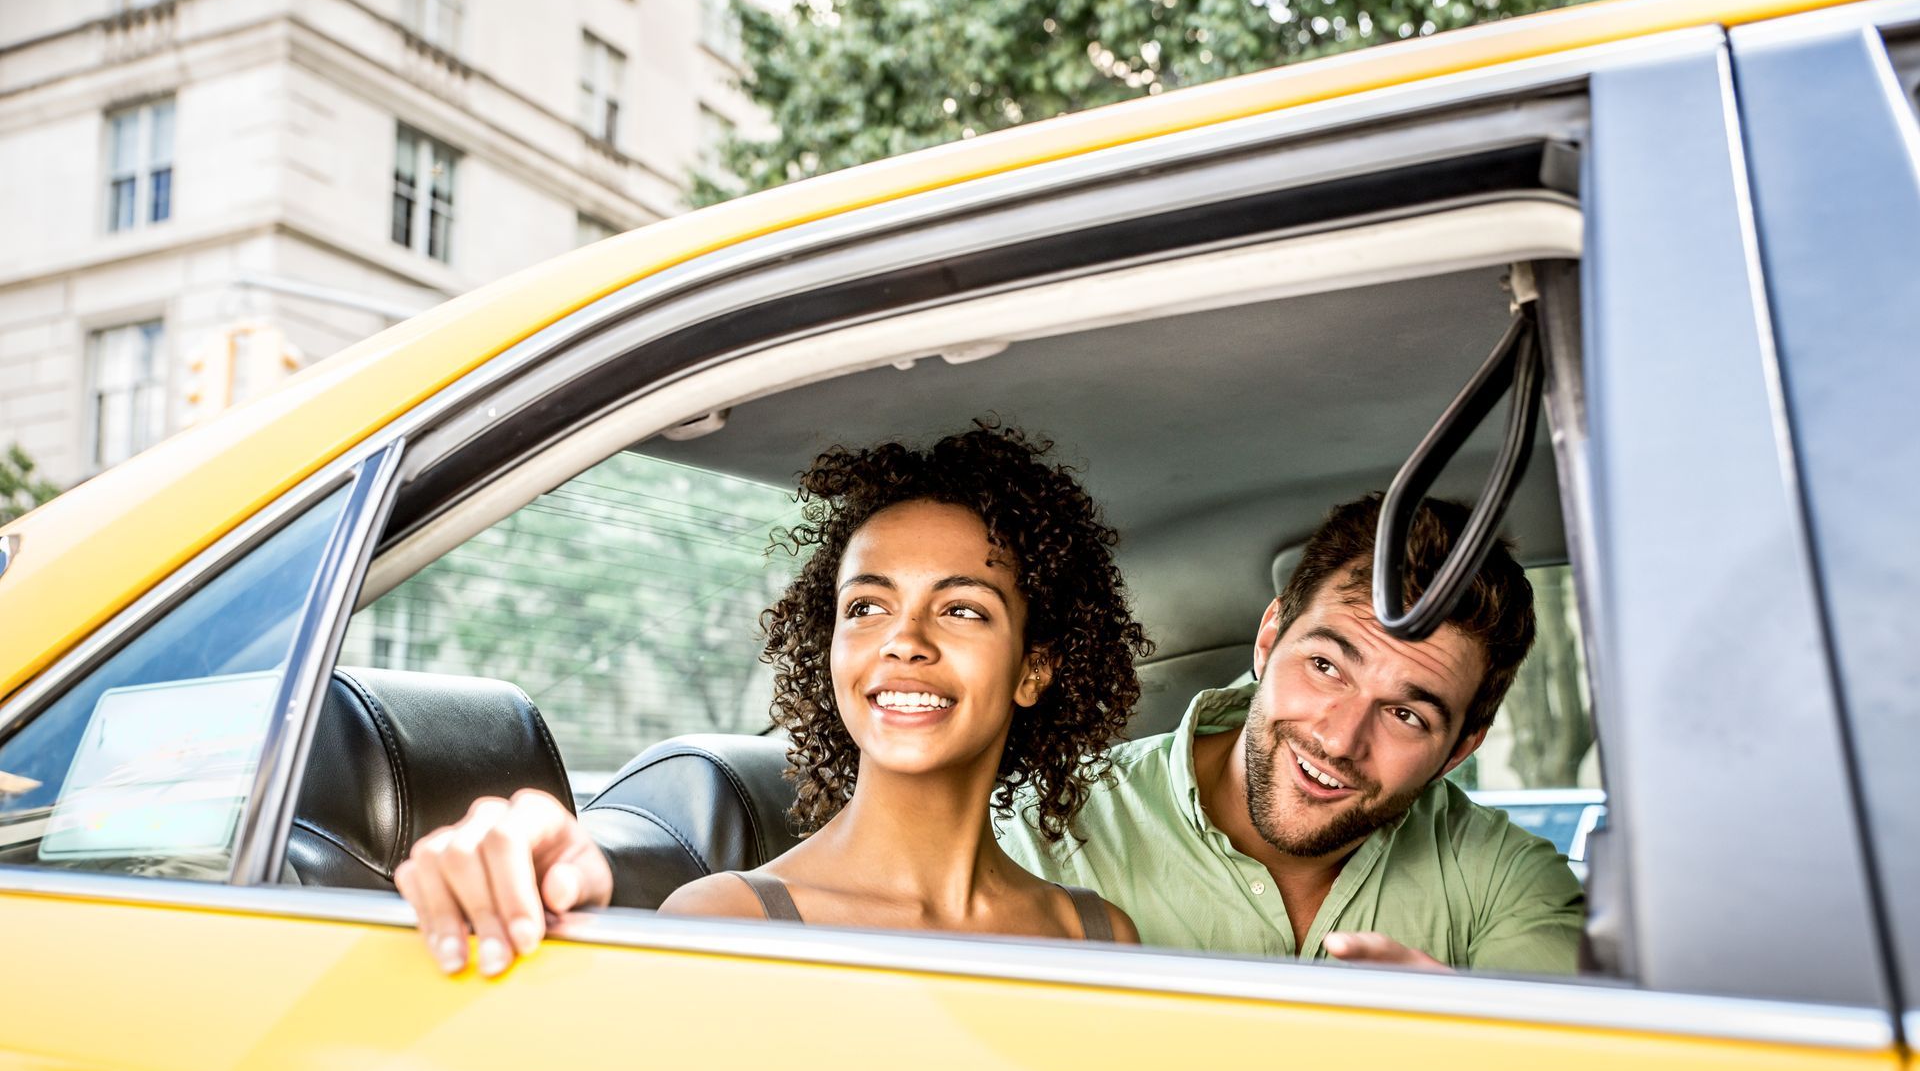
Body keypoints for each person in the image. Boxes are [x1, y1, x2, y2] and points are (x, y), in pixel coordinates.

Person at [394, 422, 1145, 974]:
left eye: (963, 609)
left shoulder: (1099, 935)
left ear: (1034, 668)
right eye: (867, 606)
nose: (904, 638)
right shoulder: (728, 919)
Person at [995, 493, 1584, 974]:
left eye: (1407, 715)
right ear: (1270, 638)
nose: (1340, 740)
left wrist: (1468, 1042)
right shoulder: (1040, 828)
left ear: (1459, 751)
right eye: (1326, 667)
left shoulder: (1507, 879)